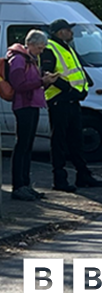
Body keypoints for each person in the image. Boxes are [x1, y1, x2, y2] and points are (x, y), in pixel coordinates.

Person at [40, 20, 102, 192]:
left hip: (72, 101)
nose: (72, 33)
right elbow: (47, 74)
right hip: (59, 101)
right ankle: (59, 180)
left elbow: (77, 72)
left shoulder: (66, 47)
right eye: (69, 30)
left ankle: (83, 175)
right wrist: (69, 90)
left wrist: (85, 86)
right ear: (61, 32)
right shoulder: (49, 48)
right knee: (59, 141)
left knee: (76, 140)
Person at [7, 30, 59, 201]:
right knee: (22, 145)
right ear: (29, 44)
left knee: (28, 146)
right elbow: (19, 84)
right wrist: (41, 82)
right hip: (24, 106)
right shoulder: (18, 60)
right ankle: (18, 186)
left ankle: (26, 184)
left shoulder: (30, 59)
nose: (41, 51)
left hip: (33, 104)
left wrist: (44, 81)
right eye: (39, 47)